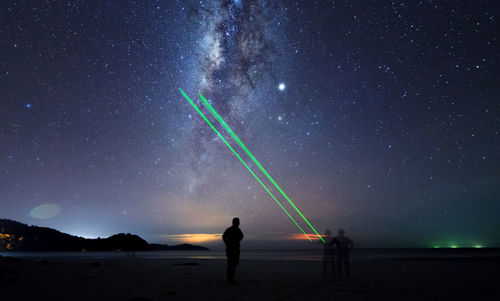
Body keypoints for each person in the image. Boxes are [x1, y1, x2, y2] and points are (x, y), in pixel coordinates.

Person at [222, 217, 244, 284]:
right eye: (238, 222)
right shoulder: (230, 229)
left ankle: (230, 279)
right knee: (231, 264)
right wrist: (227, 243)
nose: (239, 223)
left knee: (233, 264)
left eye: (239, 222)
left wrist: (237, 241)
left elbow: (242, 236)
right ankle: (230, 280)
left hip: (235, 249)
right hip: (231, 249)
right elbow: (223, 236)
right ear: (234, 222)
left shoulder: (237, 229)